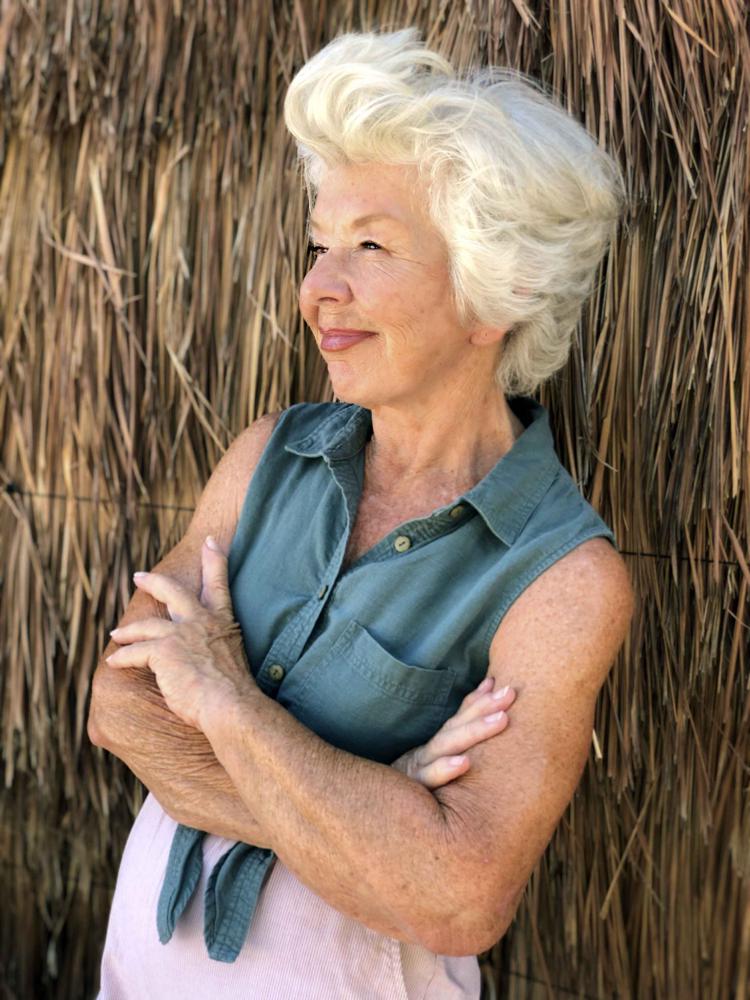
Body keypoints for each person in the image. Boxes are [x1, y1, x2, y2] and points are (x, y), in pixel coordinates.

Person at [88, 28, 634, 1000]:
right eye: (318, 246)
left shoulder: (563, 580)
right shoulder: (267, 457)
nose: (315, 289)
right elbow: (120, 705)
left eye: (370, 246)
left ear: (492, 291)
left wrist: (224, 701)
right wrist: (385, 810)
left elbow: (457, 897)